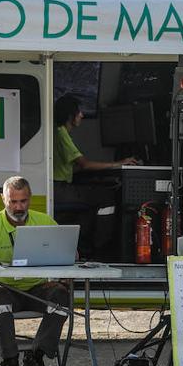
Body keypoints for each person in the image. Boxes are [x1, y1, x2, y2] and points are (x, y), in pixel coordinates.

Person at [0, 176, 71, 366]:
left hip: (35, 288)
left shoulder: (45, 222)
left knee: (61, 295)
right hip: (1, 289)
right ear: (3, 200)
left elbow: (67, 253)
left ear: (30, 198)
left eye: (23, 201)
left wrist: (69, 254)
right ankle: (9, 362)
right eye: (13, 201)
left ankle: (35, 359)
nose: (19, 207)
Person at [52, 94, 138, 258]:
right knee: (107, 197)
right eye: (79, 112)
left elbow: (72, 167)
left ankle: (83, 244)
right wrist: (118, 164)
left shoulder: (58, 133)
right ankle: (101, 248)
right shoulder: (61, 133)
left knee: (91, 202)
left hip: (60, 186)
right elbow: (84, 164)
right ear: (71, 115)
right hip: (59, 188)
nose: (82, 115)